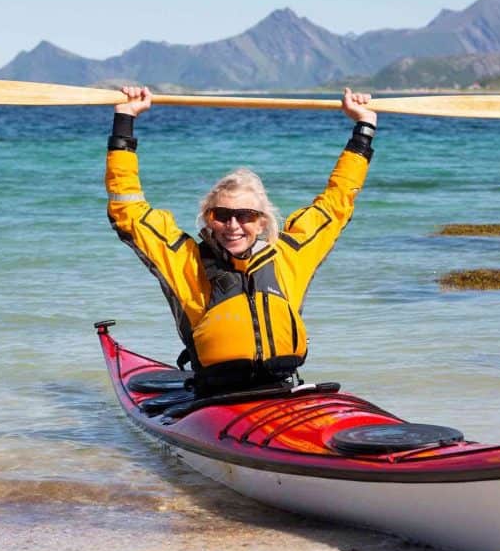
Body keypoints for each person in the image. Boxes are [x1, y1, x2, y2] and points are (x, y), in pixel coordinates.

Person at [105, 86, 377, 396]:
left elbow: (336, 202)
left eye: (245, 216)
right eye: (222, 215)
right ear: (209, 217)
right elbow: (127, 208)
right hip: (216, 400)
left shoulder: (291, 255)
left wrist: (363, 128)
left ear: (262, 220)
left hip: (283, 390)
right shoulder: (184, 261)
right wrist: (125, 120)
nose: (232, 226)